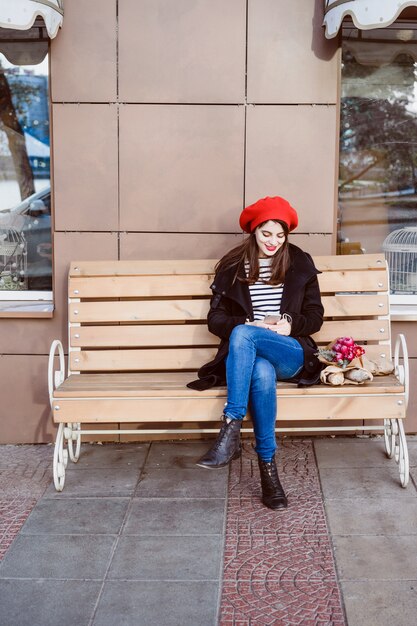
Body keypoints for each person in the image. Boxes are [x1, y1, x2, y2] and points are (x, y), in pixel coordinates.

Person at [188, 196, 324, 510]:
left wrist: (289, 325)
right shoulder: (233, 266)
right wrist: (250, 324)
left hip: (290, 352)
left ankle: (231, 425)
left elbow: (315, 317)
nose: (273, 241)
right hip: (250, 358)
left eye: (280, 235)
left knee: (244, 334)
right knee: (258, 366)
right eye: (266, 234)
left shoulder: (299, 262)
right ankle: (269, 473)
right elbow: (215, 321)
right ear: (253, 232)